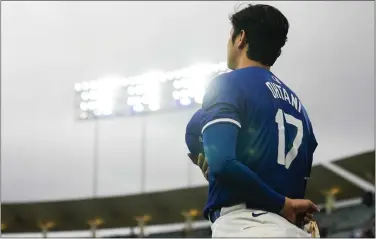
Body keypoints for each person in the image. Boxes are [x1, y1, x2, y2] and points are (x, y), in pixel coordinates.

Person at [185, 3, 319, 237]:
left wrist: (209, 158)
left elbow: (222, 161)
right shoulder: (300, 108)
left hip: (245, 226)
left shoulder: (228, 83)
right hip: (294, 231)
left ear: (241, 38)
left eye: (231, 34)